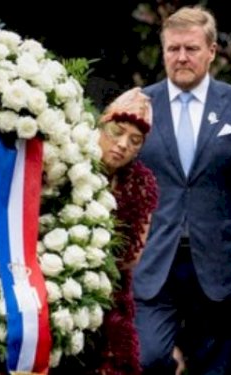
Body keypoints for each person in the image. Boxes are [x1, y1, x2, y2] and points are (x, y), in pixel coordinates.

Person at [133, 5, 231, 374]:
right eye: (173, 49)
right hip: (152, 261)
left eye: (191, 48)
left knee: (213, 368)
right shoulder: (138, 104)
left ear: (212, 51)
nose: (181, 57)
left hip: (220, 265)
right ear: (163, 50)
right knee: (146, 358)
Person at [60, 87, 158, 374]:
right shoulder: (69, 160)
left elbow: (133, 255)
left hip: (108, 289)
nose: (123, 144)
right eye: (118, 131)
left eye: (135, 140)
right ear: (101, 124)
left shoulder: (141, 184)